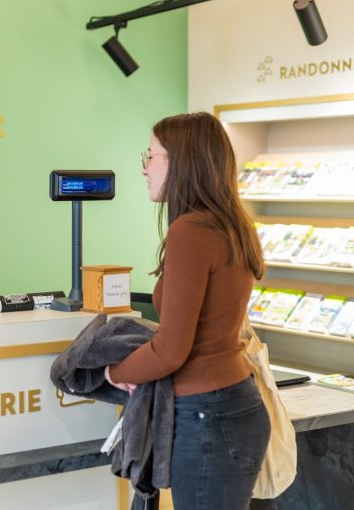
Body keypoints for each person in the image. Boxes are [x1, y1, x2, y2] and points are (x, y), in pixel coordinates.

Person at [105, 112, 270, 509]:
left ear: (182, 161)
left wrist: (114, 372)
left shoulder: (191, 231)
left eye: (152, 156)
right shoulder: (231, 224)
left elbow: (171, 348)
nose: (145, 168)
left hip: (207, 419)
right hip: (234, 406)